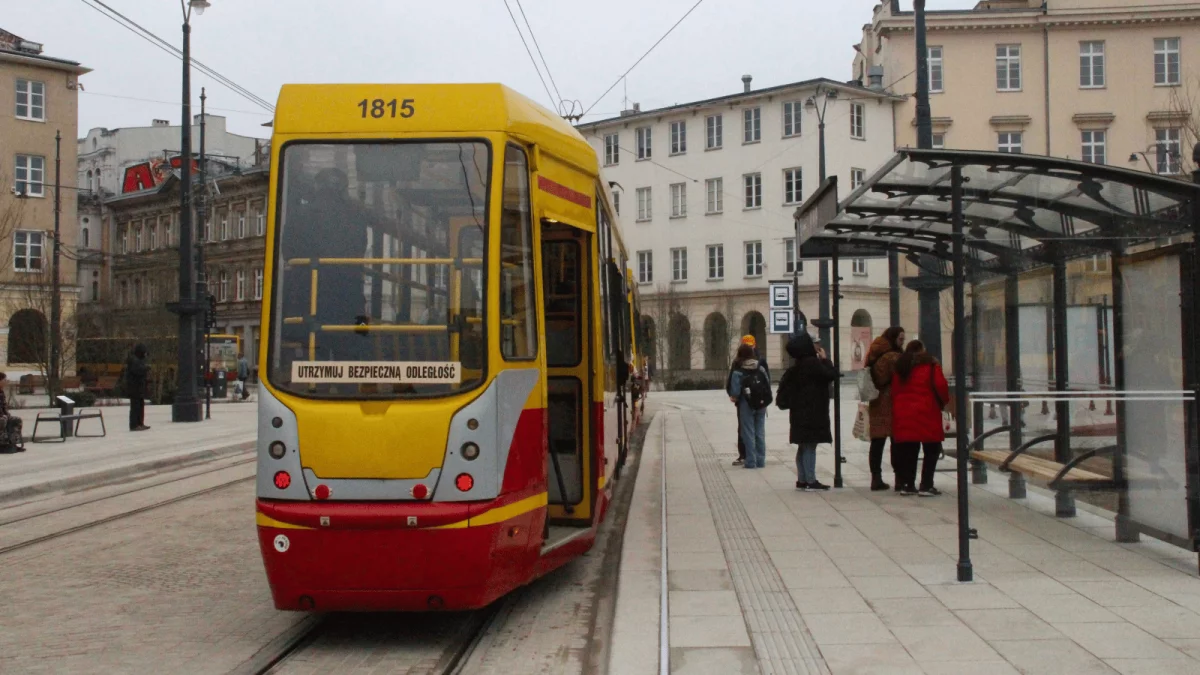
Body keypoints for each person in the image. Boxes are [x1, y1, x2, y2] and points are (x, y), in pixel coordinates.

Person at [890, 340, 949, 496]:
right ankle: (926, 485)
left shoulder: (900, 368)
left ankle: (908, 484)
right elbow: (941, 387)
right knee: (931, 449)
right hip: (926, 411)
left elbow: (894, 391)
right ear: (922, 350)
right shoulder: (931, 366)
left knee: (909, 450)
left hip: (904, 413)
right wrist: (944, 402)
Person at [778, 332, 835, 491]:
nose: (818, 346)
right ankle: (810, 480)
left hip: (799, 413)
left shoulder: (797, 366)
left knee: (803, 445)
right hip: (813, 412)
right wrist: (826, 360)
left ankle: (802, 479)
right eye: (815, 343)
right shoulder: (812, 363)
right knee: (810, 445)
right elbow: (830, 375)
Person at [865, 327, 905, 491]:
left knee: (877, 442)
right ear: (893, 338)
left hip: (876, 402)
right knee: (896, 443)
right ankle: (899, 479)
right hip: (891, 402)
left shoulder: (874, 353)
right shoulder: (893, 357)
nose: (903, 341)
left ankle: (876, 478)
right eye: (901, 339)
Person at [727, 335, 769, 466]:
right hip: (761, 403)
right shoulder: (760, 366)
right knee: (760, 431)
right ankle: (761, 460)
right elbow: (767, 383)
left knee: (748, 431)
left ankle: (750, 460)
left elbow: (734, 391)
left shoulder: (738, 369)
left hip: (746, 403)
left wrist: (734, 396)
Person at [122, 343, 151, 432]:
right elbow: (137, 371)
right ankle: (134, 424)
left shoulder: (138, 360)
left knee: (140, 406)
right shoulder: (134, 360)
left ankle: (140, 423)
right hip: (135, 388)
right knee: (135, 407)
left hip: (139, 387)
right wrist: (146, 368)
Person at [0, 373, 24, 453]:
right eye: (4, 380)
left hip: (2, 415)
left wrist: (6, 414)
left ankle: (13, 443)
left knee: (16, 420)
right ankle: (3, 444)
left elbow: (4, 406)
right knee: (3, 420)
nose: (6, 382)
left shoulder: (1, 392)